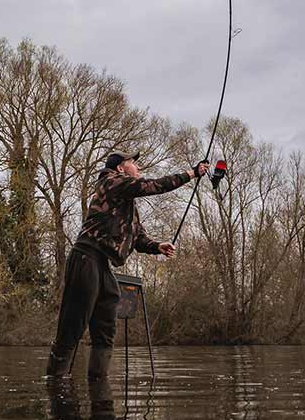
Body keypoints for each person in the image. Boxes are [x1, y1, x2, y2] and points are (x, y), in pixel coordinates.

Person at [46, 150, 210, 379]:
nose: (138, 167)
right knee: (72, 326)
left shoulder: (127, 203)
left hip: (103, 265)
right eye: (133, 163)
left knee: (105, 331)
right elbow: (155, 185)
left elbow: (138, 237)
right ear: (121, 168)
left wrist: (157, 246)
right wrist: (191, 173)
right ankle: (55, 384)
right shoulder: (111, 182)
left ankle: (99, 390)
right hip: (85, 257)